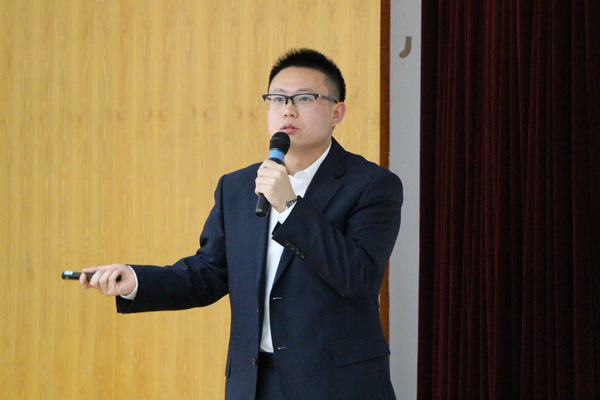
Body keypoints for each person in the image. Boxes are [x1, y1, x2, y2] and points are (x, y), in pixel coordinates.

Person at [80, 48, 403, 400]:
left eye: (304, 98)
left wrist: (291, 207)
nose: (287, 110)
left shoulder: (372, 185)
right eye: (277, 99)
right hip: (255, 383)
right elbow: (208, 273)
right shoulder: (237, 187)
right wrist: (136, 281)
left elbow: (357, 277)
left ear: (336, 112)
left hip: (337, 384)